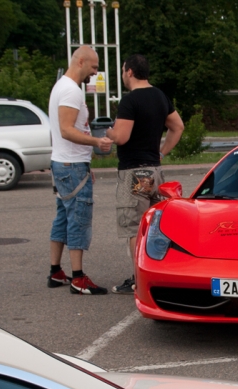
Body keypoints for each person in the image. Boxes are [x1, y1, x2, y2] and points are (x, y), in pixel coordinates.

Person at [104, 54, 184, 295]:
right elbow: (178, 126)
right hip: (154, 172)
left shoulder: (130, 101)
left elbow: (122, 137)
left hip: (133, 174)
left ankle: (138, 279)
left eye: (123, 70)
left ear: (129, 72)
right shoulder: (160, 96)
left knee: (134, 228)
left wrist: (108, 132)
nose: (123, 74)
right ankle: (158, 275)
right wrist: (162, 152)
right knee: (154, 227)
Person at [47, 45, 113, 295]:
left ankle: (55, 271)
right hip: (71, 164)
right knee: (78, 218)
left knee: (63, 217)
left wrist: (85, 163)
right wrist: (96, 142)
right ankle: (78, 277)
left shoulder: (61, 86)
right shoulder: (71, 90)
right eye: (94, 67)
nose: (95, 73)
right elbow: (66, 130)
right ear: (81, 61)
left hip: (65, 162)